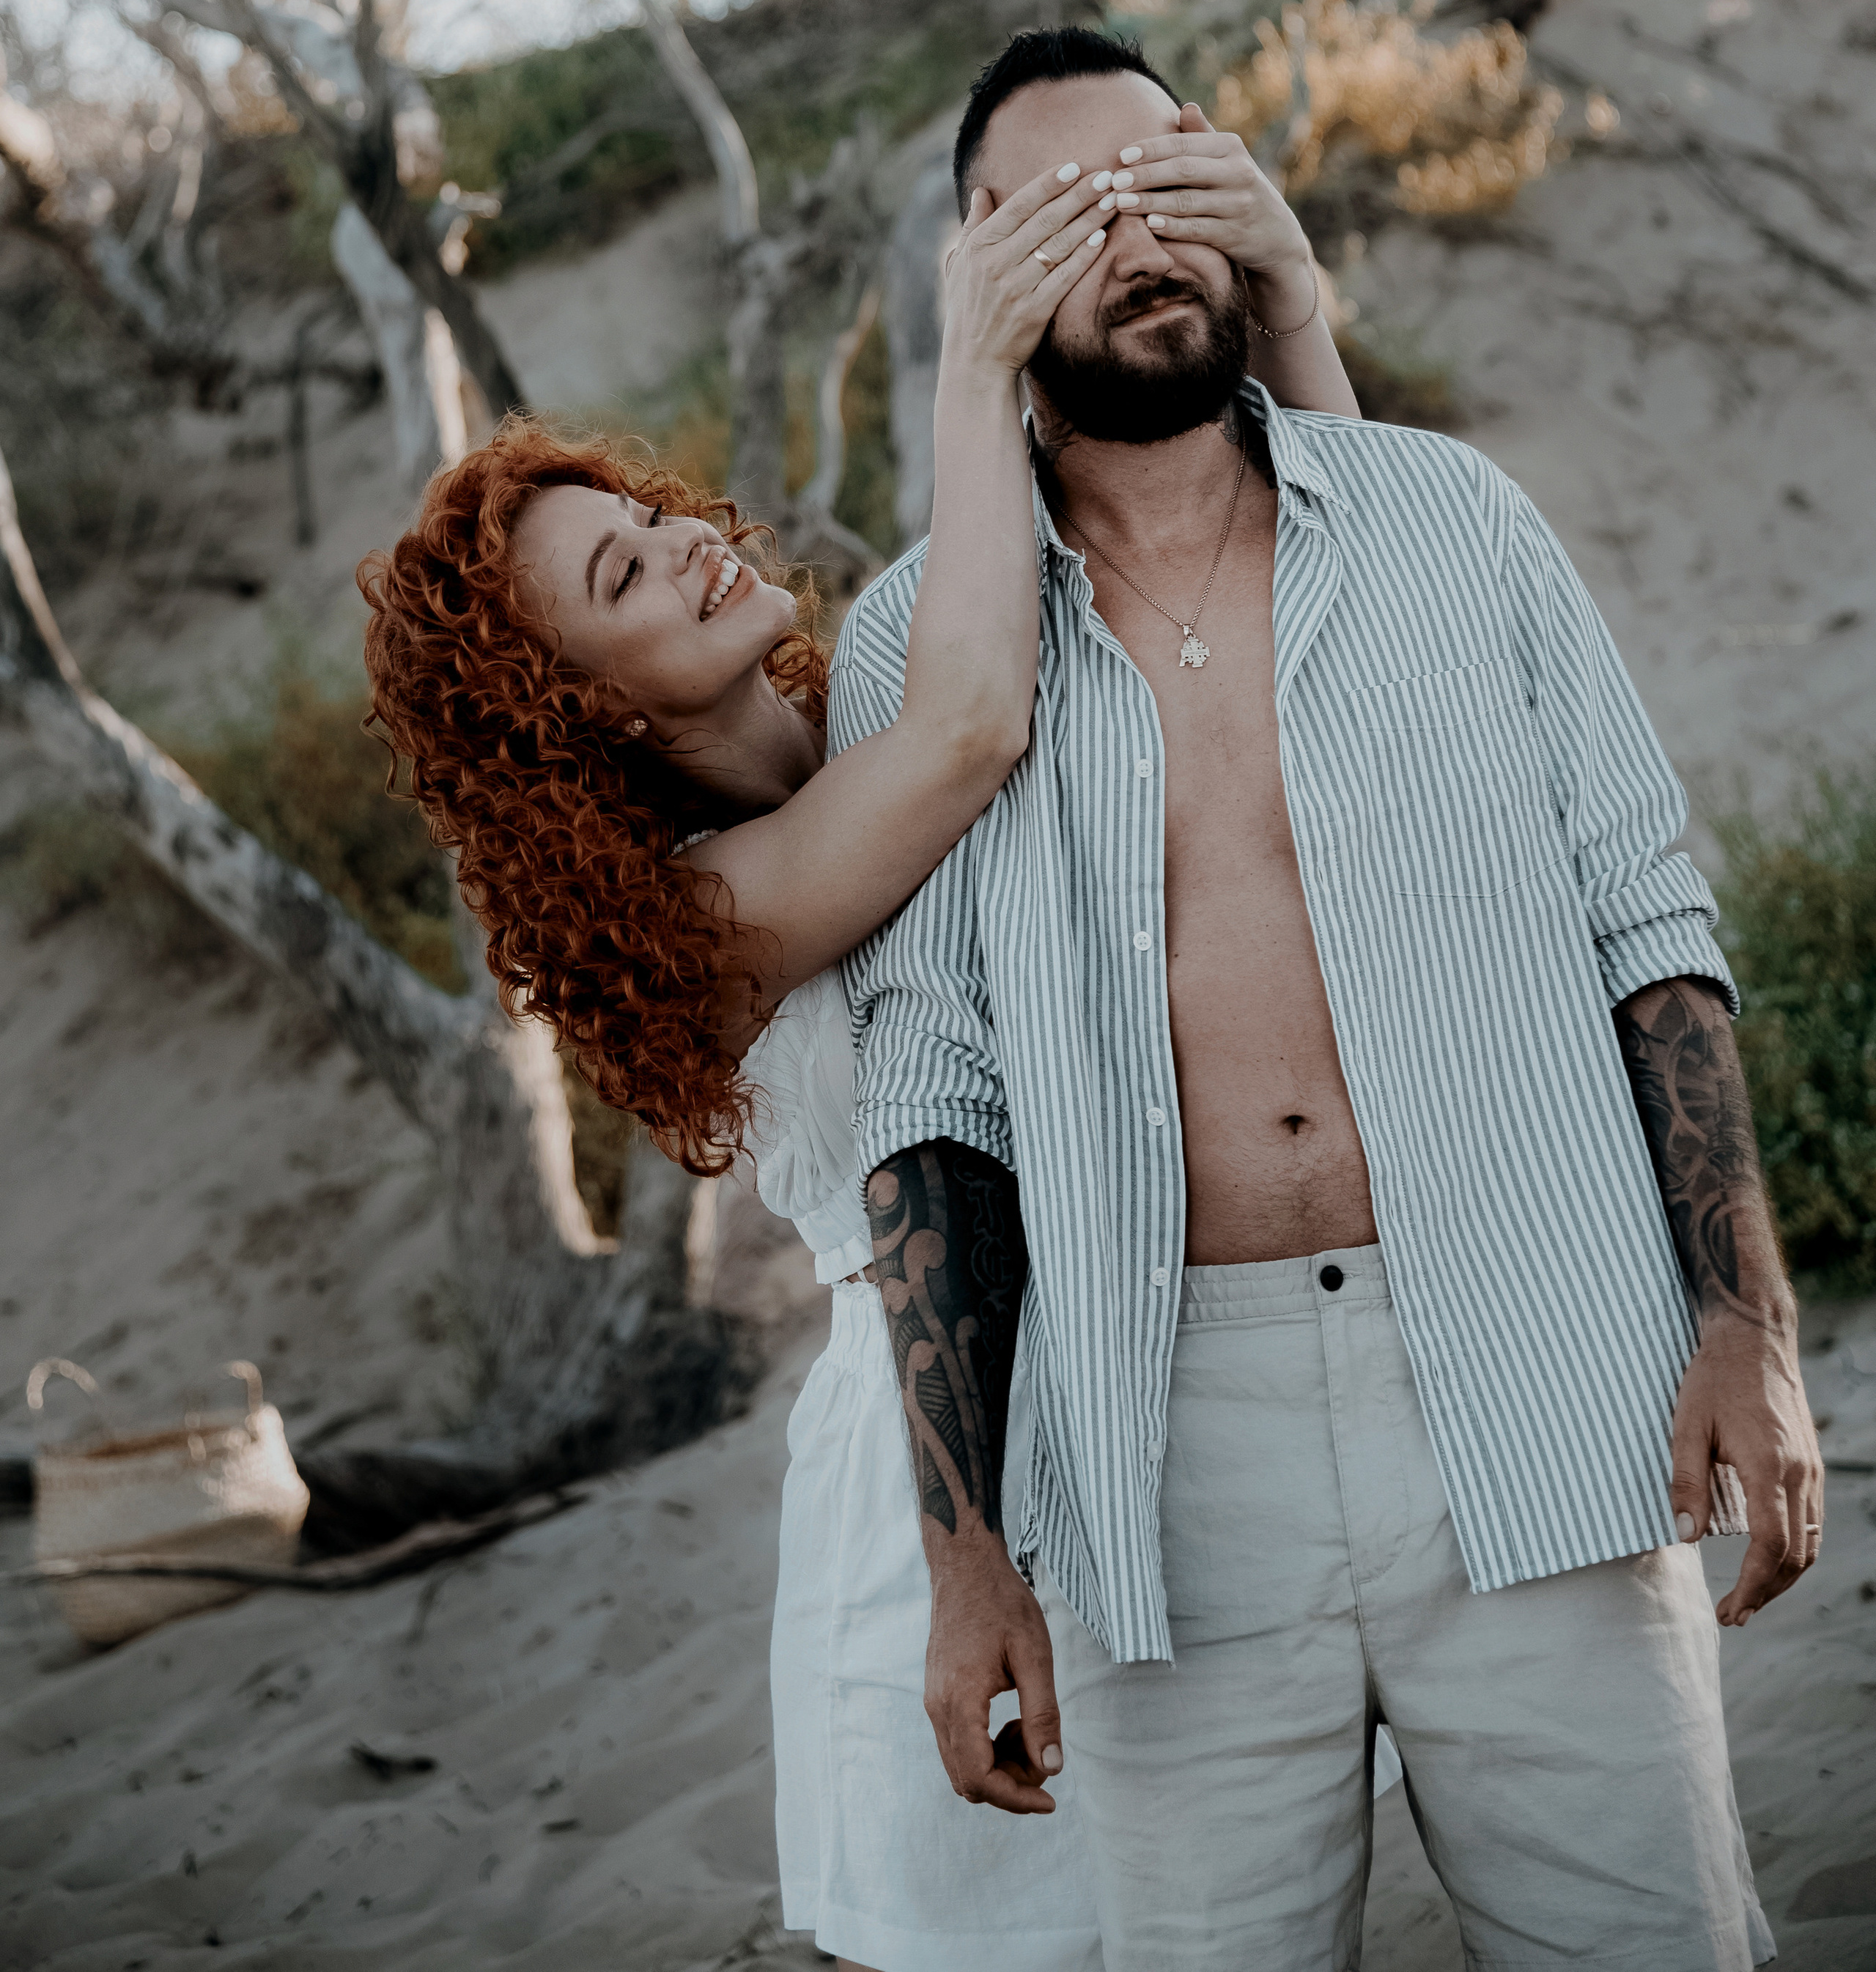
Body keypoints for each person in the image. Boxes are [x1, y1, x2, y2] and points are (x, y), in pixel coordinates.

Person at [836, 25, 1824, 1970]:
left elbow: (1647, 918)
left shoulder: (1454, 522)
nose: (1135, 237)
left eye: (1170, 180)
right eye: (1065, 209)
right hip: (1158, 1452)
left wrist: (1748, 1321)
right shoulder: (914, 642)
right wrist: (967, 1560)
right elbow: (929, 1108)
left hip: (1545, 1369)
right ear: (978, 264)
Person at [357, 140, 1359, 1972]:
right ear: (567, 708)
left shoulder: (875, 704)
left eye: (644, 512)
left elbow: (1297, 596)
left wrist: (1260, 308)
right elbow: (985, 724)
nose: (682, 535)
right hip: (932, 1480)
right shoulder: (699, 913)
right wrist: (968, 356)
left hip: (1145, 1389)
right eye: (620, 573)